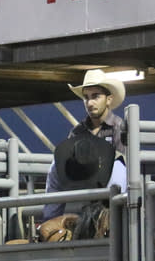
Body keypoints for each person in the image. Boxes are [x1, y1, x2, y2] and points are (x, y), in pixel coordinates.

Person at [42, 70, 127, 221]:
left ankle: (112, 220)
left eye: (95, 96)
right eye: (86, 98)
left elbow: (125, 163)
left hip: (107, 183)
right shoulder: (77, 131)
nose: (90, 103)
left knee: (119, 166)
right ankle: (51, 223)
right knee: (55, 167)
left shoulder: (119, 127)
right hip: (83, 178)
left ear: (109, 99)